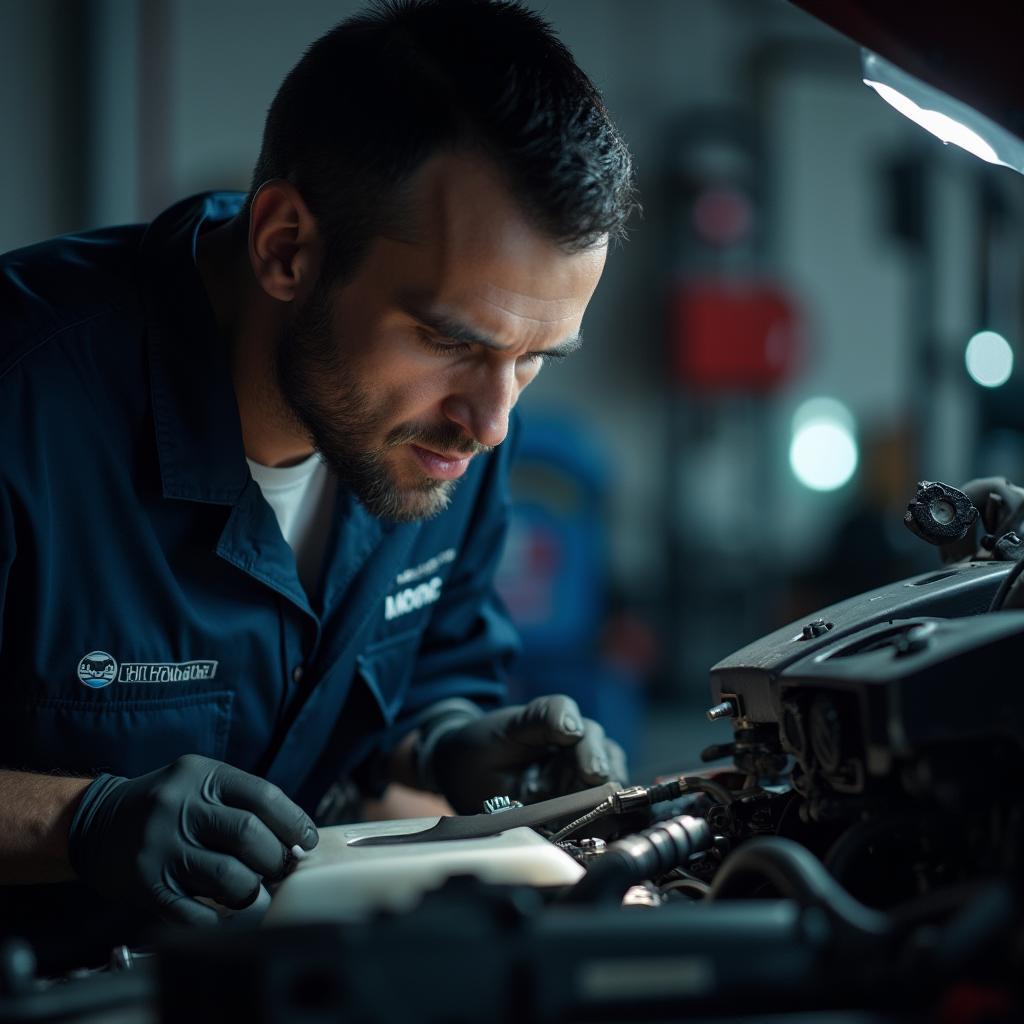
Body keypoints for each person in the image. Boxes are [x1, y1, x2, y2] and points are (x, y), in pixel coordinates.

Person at [0, 0, 636, 965]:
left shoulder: (452, 425)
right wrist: (74, 821)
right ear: (286, 247)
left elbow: (423, 684)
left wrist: (448, 744)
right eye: (449, 339)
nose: (494, 421)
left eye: (537, 357)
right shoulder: (21, 400)